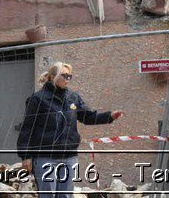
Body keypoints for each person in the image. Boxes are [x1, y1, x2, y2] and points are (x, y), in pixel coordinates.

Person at [16, 62, 123, 197]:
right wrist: (26, 156)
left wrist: (109, 116)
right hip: (45, 157)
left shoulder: (73, 97)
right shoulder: (38, 99)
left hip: (69, 156)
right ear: (53, 76)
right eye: (64, 75)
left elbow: (87, 117)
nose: (68, 79)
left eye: (70, 76)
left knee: (66, 195)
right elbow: (27, 128)